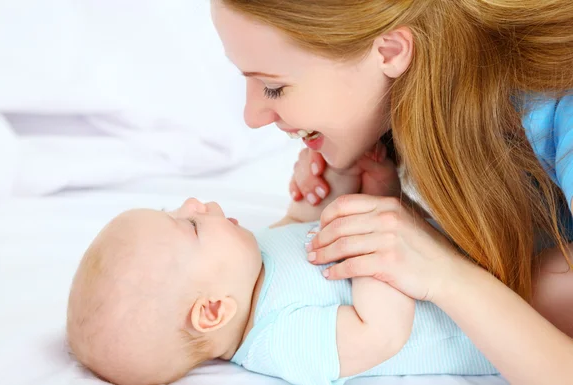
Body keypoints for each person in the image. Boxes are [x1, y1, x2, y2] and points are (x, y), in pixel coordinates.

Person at [210, 1, 573, 385]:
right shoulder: (443, 98)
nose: (252, 116)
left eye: (274, 87)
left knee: (546, 287)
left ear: (391, 51)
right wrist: (385, 204)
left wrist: (448, 273)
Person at [67, 156, 500, 385]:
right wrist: (375, 214)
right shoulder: (280, 340)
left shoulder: (250, 261)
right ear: (213, 310)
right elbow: (380, 333)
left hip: (478, 245)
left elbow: (301, 229)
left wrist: (325, 185)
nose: (194, 203)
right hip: (494, 318)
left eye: (174, 208)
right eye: (190, 225)